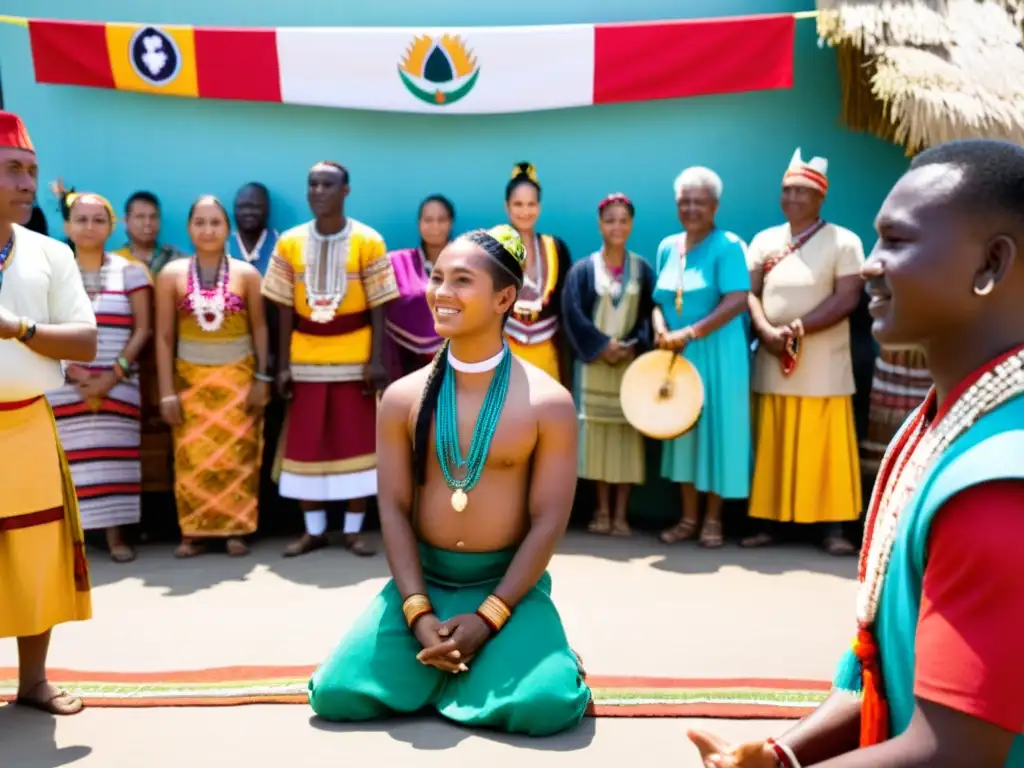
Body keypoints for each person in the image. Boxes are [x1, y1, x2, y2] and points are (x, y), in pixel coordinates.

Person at [689, 139, 1024, 767]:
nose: (870, 265)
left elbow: (953, 753)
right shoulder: (937, 431)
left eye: (896, 242)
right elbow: (874, 674)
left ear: (991, 264)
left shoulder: (997, 485)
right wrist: (781, 757)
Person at [307, 224, 590, 735]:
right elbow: (392, 508)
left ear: (505, 297)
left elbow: (548, 522)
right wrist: (417, 613)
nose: (441, 292)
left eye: (462, 281)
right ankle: (452, 658)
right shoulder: (400, 397)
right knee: (335, 694)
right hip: (423, 585)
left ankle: (544, 649)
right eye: (437, 277)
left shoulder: (549, 403)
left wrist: (488, 618)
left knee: (546, 706)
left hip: (508, 588)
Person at [0, 111, 98, 715]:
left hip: (28, 423)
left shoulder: (49, 252)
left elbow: (85, 342)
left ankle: (32, 681)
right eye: (13, 168)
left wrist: (21, 329)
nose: (27, 182)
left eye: (32, 171)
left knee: (36, 554)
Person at [263, 162, 399, 558]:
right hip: (305, 359)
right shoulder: (289, 242)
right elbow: (284, 310)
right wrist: (283, 365)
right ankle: (314, 530)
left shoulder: (368, 241)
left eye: (328, 184)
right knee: (307, 446)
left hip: (355, 360)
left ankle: (354, 531)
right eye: (312, 184)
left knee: (356, 444)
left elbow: (379, 308)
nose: (318, 190)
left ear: (346, 191)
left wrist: (376, 362)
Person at [743, 149, 864, 555]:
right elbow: (750, 294)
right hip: (773, 359)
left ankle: (832, 529)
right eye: (786, 190)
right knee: (771, 442)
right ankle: (766, 524)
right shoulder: (763, 240)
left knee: (825, 446)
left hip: (823, 365)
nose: (792, 198)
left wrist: (797, 329)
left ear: (820, 197)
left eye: (801, 191)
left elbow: (848, 298)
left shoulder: (844, 241)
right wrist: (766, 330)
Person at [155, 196, 269, 558]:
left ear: (228, 229)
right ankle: (194, 531)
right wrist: (166, 392)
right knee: (191, 457)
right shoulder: (171, 274)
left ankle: (236, 529)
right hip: (189, 380)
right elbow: (163, 337)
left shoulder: (247, 274)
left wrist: (262, 379)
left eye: (215, 223)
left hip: (238, 378)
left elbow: (261, 329)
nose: (207, 230)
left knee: (238, 456)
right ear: (189, 228)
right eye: (200, 223)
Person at [47, 192, 153, 563]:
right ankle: (72, 543)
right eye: (81, 219)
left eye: (98, 219)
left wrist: (112, 374)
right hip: (63, 384)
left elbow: (142, 330)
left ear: (112, 226)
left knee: (115, 460)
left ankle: (115, 536)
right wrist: (73, 371)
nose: (89, 227)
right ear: (67, 226)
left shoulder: (131, 272)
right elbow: (43, 328)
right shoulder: (51, 270)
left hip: (119, 383)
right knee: (69, 462)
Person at [654, 168, 752, 548]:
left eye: (699, 201)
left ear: (715, 206)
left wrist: (691, 332)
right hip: (678, 356)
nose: (691, 208)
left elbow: (737, 299)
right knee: (683, 433)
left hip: (719, 354)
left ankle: (713, 520)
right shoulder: (667, 246)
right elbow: (658, 301)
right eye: (684, 201)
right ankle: (687, 518)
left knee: (718, 432)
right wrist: (660, 328)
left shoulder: (728, 246)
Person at [562, 193, 654, 536]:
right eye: (610, 220)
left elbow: (649, 314)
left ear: (631, 224)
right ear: (600, 224)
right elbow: (572, 314)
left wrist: (632, 346)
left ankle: (621, 514)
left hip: (630, 367)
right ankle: (601, 511)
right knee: (598, 437)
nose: (617, 226)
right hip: (595, 366)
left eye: (623, 220)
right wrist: (601, 346)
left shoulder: (642, 269)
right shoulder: (583, 270)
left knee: (626, 437)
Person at [503, 162, 572, 385]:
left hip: (548, 353)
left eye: (531, 204)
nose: (525, 211)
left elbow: (566, 307)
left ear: (539, 207)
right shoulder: (494, 248)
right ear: (507, 207)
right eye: (518, 204)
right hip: (505, 353)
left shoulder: (556, 249)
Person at [381, 194, 452, 381]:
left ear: (450, 223)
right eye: (428, 220)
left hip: (455, 360)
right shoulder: (398, 264)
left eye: (441, 219)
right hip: (405, 362)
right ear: (419, 223)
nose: (435, 226)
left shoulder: (469, 264)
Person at [228, 182, 278, 276]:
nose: (248, 212)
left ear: (267, 209)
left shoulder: (282, 247)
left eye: (255, 206)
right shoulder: (223, 247)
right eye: (242, 207)